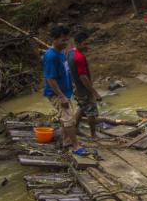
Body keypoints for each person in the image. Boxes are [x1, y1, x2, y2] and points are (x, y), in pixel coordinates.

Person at [43, 26, 87, 156]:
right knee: (69, 120)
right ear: (54, 40)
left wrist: (71, 86)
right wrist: (61, 96)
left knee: (65, 118)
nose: (65, 43)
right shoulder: (51, 56)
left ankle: (66, 140)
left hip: (65, 91)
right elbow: (50, 79)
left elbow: (65, 72)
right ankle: (75, 146)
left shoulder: (61, 53)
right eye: (63, 40)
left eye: (67, 40)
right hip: (56, 93)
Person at [67, 31, 102, 141]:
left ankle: (76, 128)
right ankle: (93, 135)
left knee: (82, 107)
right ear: (78, 43)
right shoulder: (79, 57)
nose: (87, 46)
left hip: (75, 87)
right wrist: (94, 92)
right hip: (83, 88)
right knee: (91, 111)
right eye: (85, 44)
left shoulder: (70, 53)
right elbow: (83, 77)